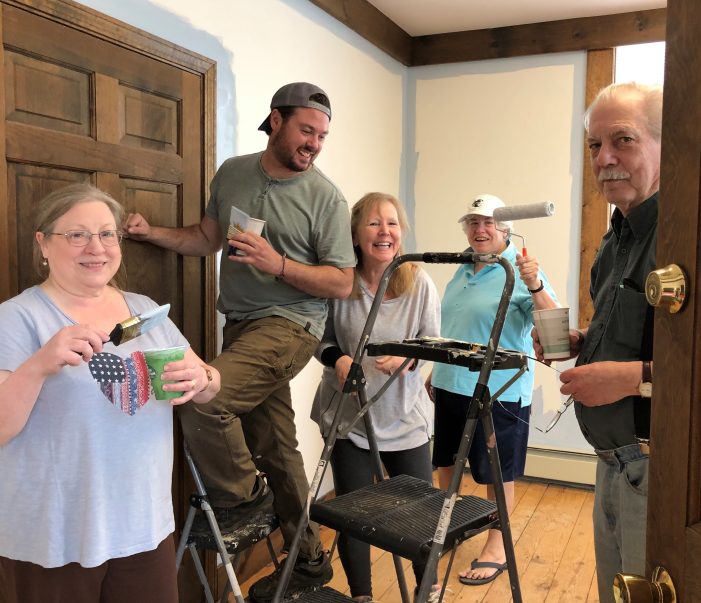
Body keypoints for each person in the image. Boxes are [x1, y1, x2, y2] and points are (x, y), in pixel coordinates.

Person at [124, 82, 356, 602]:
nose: (314, 143)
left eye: (321, 135)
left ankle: (247, 500)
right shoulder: (231, 173)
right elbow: (206, 238)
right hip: (242, 326)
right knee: (278, 449)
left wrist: (279, 265)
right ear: (275, 121)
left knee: (203, 397)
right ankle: (310, 561)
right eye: (306, 130)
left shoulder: (326, 197)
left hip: (292, 324)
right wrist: (150, 232)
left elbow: (343, 282)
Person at [0, 183, 221, 603]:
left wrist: (203, 378)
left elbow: (209, 385)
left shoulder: (145, 311)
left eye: (107, 233)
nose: (96, 247)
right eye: (77, 234)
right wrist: (41, 363)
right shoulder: (16, 318)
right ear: (43, 243)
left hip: (143, 526)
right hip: (54, 536)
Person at [535, 82, 661, 603]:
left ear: (667, 143)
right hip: (611, 464)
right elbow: (638, 331)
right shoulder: (616, 239)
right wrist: (585, 340)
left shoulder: (685, 234)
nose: (604, 158)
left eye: (623, 140)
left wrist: (630, 379)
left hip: (660, 472)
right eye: (593, 145)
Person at [311, 193, 441, 602]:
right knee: (354, 514)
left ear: (401, 234)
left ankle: (427, 589)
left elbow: (433, 344)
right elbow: (320, 339)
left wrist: (408, 356)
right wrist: (339, 360)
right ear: (355, 233)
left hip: (404, 414)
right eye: (373, 223)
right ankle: (362, 594)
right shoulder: (339, 283)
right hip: (349, 417)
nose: (384, 232)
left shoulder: (418, 281)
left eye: (392, 224)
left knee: (422, 512)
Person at [429, 194, 559, 585]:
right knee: (446, 464)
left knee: (495, 475)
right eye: (472, 221)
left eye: (488, 222)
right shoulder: (461, 267)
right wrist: (434, 372)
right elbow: (456, 325)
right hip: (450, 383)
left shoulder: (520, 271)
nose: (479, 229)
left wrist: (534, 282)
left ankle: (497, 547)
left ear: (506, 229)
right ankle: (451, 527)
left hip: (498, 391)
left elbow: (554, 329)